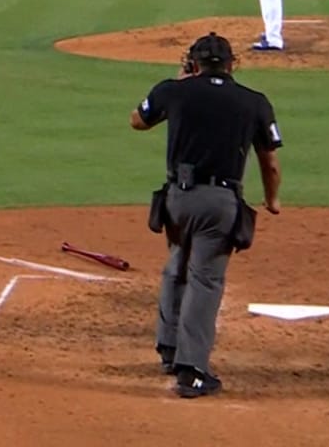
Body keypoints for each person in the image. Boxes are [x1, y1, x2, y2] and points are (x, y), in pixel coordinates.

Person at [131, 31, 283, 398]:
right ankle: (192, 371)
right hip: (219, 202)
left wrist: (180, 86)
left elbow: (138, 120)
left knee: (177, 266)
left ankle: (169, 349)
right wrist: (272, 200)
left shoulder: (173, 90)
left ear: (192, 63)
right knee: (205, 280)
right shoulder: (254, 101)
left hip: (177, 200)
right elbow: (270, 162)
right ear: (233, 64)